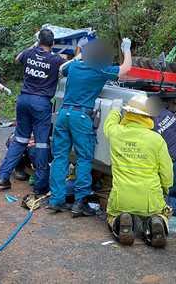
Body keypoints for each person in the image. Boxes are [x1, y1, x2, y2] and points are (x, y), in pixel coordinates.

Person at [48, 38, 133, 217]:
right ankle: (80, 203)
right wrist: (127, 49)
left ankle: (56, 201)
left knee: (60, 158)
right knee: (84, 159)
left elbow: (62, 69)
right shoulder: (100, 69)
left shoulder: (75, 66)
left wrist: (79, 53)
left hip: (64, 115)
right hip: (81, 117)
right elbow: (126, 69)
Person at [0, 29, 64, 198]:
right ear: (53, 43)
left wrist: (34, 45)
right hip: (41, 103)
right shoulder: (56, 60)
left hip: (24, 100)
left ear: (38, 41)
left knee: (19, 139)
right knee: (41, 143)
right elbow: (68, 66)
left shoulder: (29, 53)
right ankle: (40, 186)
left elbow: (17, 58)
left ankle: (3, 176)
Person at [103, 95, 173, 247]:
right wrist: (165, 188)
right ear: (148, 117)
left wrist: (115, 109)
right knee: (161, 212)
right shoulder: (156, 139)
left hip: (122, 197)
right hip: (150, 198)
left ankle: (120, 220)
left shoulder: (116, 133)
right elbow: (167, 171)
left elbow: (108, 125)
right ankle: (156, 222)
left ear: (128, 113)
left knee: (112, 214)